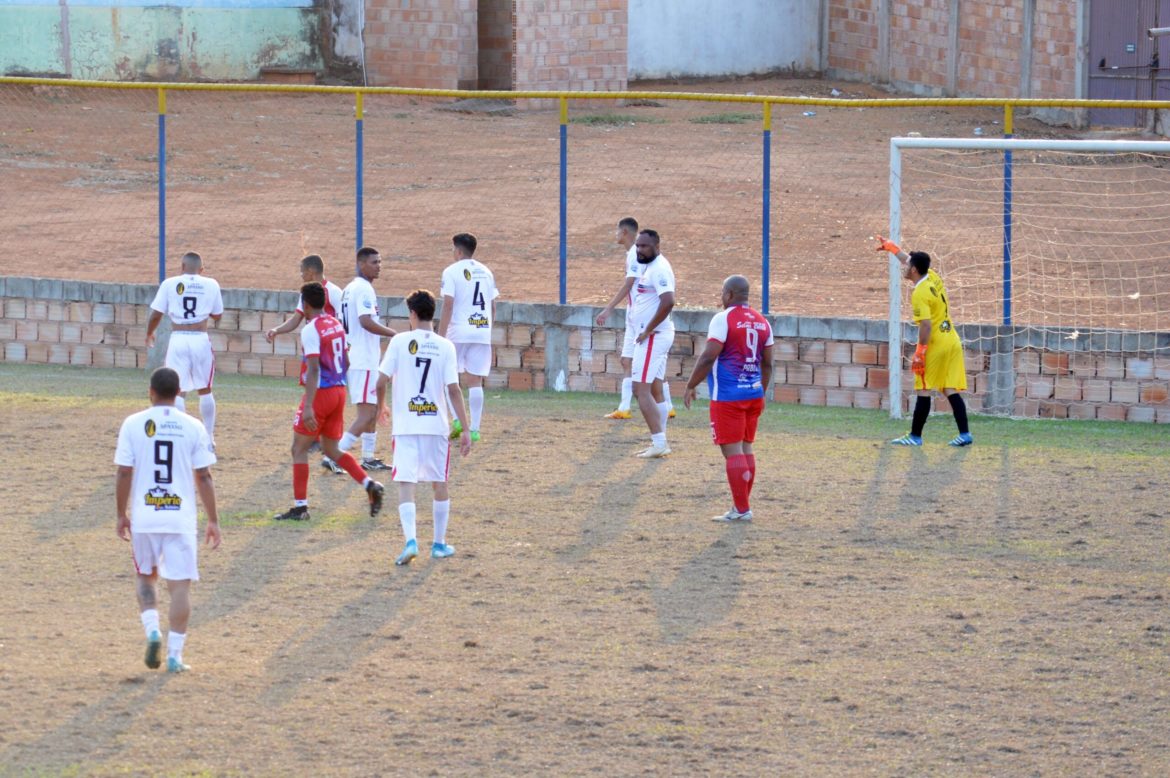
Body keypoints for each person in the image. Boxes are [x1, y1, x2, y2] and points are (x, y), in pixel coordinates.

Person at [114, 367, 220, 673]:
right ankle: (174, 656)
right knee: (180, 587)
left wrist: (121, 514)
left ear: (150, 391)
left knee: (146, 577)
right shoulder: (194, 426)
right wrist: (213, 519)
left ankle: (152, 631)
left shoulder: (133, 423)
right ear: (177, 394)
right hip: (180, 519)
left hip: (146, 517)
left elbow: (123, 472)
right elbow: (204, 476)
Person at [272, 282, 385, 522]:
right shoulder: (335, 324)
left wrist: (310, 405)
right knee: (332, 449)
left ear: (304, 304)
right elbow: (345, 360)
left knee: (298, 449)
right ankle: (369, 484)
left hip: (322, 394)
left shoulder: (310, 329)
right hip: (339, 390)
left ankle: (300, 507)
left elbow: (313, 369)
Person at [377, 289, 473, 566]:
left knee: (406, 483)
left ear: (413, 314)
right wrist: (465, 428)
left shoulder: (399, 341)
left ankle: (410, 540)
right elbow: (454, 390)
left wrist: (381, 407)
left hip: (406, 425)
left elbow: (380, 382)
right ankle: (439, 544)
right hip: (436, 426)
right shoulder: (446, 346)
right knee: (439, 483)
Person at [683, 275, 774, 522]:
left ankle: (742, 510)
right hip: (753, 393)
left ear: (729, 294)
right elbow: (767, 364)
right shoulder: (762, 321)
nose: (720, 298)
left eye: (722, 293)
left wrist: (691, 385)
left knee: (733, 452)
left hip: (727, 396)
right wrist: (761, 393)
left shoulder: (722, 319)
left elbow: (708, 357)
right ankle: (741, 506)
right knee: (745, 448)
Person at [877, 236, 972, 447]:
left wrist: (920, 351)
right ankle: (965, 434)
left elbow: (926, 325)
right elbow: (911, 259)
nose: (905, 266)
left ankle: (915, 436)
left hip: (936, 344)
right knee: (949, 388)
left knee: (923, 387)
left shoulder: (919, 292)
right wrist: (893, 249)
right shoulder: (932, 276)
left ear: (913, 270)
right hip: (952, 340)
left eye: (908, 265)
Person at [265, 254, 347, 474]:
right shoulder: (307, 294)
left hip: (331, 355)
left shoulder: (336, 293)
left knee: (323, 393)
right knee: (311, 388)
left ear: (311, 272)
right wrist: (276, 330)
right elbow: (296, 319)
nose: (300, 275)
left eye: (302, 271)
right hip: (314, 350)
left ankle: (326, 443)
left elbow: (344, 322)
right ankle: (315, 438)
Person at [597, 217, 675, 421]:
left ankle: (658, 418)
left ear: (624, 232)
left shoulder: (637, 257)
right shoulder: (642, 258)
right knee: (641, 367)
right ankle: (630, 407)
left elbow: (631, 285)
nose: (640, 249)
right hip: (638, 318)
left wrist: (608, 309)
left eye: (616, 231)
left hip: (641, 323)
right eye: (639, 245)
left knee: (643, 379)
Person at [145, 251, 223, 446]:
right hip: (200, 338)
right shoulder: (211, 284)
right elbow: (217, 314)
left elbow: (156, 314)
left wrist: (149, 332)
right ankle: (209, 438)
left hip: (178, 339)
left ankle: (181, 435)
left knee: (177, 390)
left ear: (181, 267)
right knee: (205, 389)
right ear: (201, 269)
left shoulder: (169, 284)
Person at [337, 246, 397, 470]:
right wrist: (394, 334)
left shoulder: (350, 288)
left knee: (371, 410)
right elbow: (365, 321)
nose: (378, 266)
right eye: (374, 262)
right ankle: (335, 455)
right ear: (361, 264)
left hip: (363, 358)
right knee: (366, 413)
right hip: (361, 360)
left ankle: (368, 458)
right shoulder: (363, 289)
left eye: (380, 262)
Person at [438, 233, 499, 442]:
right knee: (475, 380)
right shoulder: (486, 272)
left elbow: (448, 305)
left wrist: (440, 336)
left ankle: (456, 421)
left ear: (458, 251)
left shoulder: (451, 271)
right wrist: (487, 329)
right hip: (482, 331)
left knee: (449, 378)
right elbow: (492, 305)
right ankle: (474, 429)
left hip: (458, 331)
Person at [629, 229, 676, 458]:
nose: (639, 250)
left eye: (644, 246)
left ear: (657, 246)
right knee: (656, 389)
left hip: (653, 336)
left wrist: (648, 329)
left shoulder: (659, 269)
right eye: (638, 246)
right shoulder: (651, 266)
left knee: (640, 389)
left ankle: (659, 441)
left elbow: (668, 302)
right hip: (654, 334)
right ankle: (661, 441)